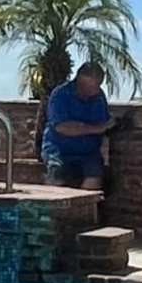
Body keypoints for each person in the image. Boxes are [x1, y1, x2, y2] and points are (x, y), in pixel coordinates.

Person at [38, 58, 116, 187]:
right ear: (78, 79)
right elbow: (62, 127)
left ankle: (87, 205)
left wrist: (113, 124)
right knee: (57, 174)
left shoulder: (99, 97)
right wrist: (97, 128)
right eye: (89, 87)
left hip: (88, 154)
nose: (93, 91)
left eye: (96, 86)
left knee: (94, 175)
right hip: (59, 151)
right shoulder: (60, 95)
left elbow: (105, 122)